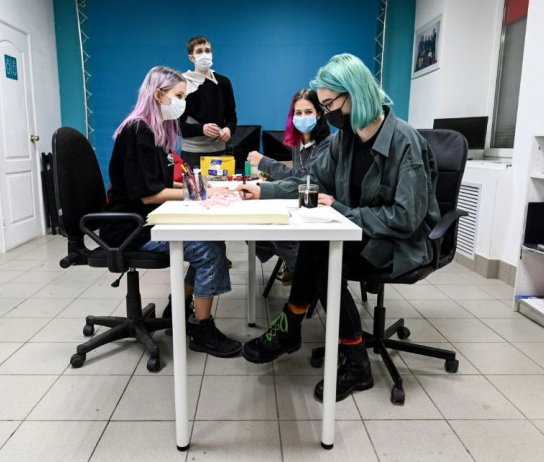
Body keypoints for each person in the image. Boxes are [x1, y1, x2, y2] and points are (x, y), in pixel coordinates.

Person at [237, 54, 440, 402]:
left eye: (329, 103)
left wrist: (345, 211)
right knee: (319, 249)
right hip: (360, 234)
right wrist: (261, 190)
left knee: (322, 260)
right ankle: (310, 334)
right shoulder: (345, 138)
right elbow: (308, 181)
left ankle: (338, 353)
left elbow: (405, 218)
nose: (325, 113)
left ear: (355, 95)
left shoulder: (405, 142)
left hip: (399, 243)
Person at [100, 66, 242, 358]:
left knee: (212, 241)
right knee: (209, 250)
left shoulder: (154, 132)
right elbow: (151, 195)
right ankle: (203, 331)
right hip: (131, 229)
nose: (183, 102)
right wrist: (202, 193)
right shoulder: (137, 131)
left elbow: (164, 182)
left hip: (147, 220)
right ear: (158, 94)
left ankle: (177, 308)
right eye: (178, 95)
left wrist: (205, 187)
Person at [247, 89, 332, 283]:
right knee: (251, 230)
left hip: (319, 209)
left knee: (278, 232)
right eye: (298, 113)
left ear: (319, 114)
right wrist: (271, 177)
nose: (303, 117)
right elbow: (297, 177)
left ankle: (307, 277)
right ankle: (293, 260)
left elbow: (307, 181)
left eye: (308, 112)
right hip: (299, 205)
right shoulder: (298, 143)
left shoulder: (328, 144)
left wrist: (266, 164)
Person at [179, 35, 238, 170]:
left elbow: (231, 116)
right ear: (191, 58)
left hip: (218, 150)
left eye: (207, 50)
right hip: (192, 152)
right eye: (199, 51)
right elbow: (176, 125)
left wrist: (228, 129)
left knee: (220, 189)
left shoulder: (223, 82)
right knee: (194, 190)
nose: (204, 54)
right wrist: (201, 129)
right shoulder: (182, 83)